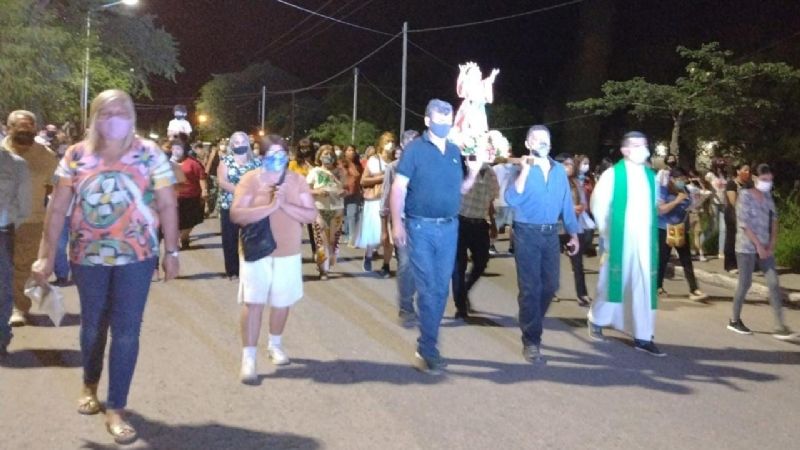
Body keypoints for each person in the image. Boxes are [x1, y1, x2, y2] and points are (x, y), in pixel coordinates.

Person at [31, 89, 179, 445]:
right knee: (94, 325)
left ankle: (117, 408)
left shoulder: (149, 154)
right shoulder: (76, 155)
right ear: (94, 116)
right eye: (106, 111)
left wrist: (172, 250)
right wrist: (46, 255)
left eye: (121, 111)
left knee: (127, 330)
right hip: (88, 256)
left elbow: (167, 203)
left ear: (132, 116)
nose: (114, 117)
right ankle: (89, 382)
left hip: (137, 256)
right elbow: (57, 210)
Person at [390, 99, 480, 375]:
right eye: (439, 119)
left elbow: (460, 190)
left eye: (448, 118)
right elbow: (398, 189)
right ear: (428, 121)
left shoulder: (454, 152)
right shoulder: (415, 151)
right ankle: (427, 349)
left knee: (440, 289)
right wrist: (397, 223)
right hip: (420, 227)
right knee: (430, 287)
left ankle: (427, 337)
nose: (445, 123)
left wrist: (474, 173)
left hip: (449, 228)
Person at [231, 135, 316, 383]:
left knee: (282, 301)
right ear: (261, 156)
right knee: (253, 302)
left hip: (287, 251)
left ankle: (275, 344)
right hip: (257, 251)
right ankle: (248, 357)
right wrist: (269, 207)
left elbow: (310, 214)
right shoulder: (251, 179)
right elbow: (237, 214)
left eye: (282, 154)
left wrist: (284, 205)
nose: (277, 159)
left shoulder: (296, 180)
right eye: (272, 155)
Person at [505, 127, 579, 364]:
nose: (542, 143)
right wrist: (526, 171)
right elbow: (511, 199)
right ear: (528, 143)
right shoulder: (519, 169)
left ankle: (530, 316)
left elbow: (566, 203)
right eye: (537, 139)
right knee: (530, 289)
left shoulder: (558, 171)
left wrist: (573, 233)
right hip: (526, 232)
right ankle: (532, 341)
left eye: (546, 139)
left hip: (550, 234)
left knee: (550, 286)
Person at [587, 132, 665, 357]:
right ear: (625, 150)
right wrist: (607, 233)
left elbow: (653, 207)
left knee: (643, 288)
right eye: (638, 145)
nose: (645, 149)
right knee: (612, 283)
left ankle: (643, 335)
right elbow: (599, 205)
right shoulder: (613, 175)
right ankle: (597, 318)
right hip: (619, 240)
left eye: (645, 145)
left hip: (645, 242)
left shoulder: (651, 177)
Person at [2, 110, 58, 326]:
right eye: (20, 129)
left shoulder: (46, 157)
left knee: (23, 266)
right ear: (9, 128)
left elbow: (57, 189)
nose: (25, 133)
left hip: (31, 221)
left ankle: (18, 308)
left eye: (29, 129)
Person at [728, 164, 796, 340]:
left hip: (765, 248)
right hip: (746, 248)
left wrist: (771, 244)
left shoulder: (767, 198)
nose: (768, 183)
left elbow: (774, 220)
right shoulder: (744, 196)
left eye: (770, 180)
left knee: (773, 283)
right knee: (745, 283)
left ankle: (780, 326)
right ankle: (734, 320)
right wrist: (758, 245)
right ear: (756, 179)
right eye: (765, 180)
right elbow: (743, 223)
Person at [451, 156, 499, 320]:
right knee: (459, 266)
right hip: (460, 222)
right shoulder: (462, 171)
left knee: (481, 262)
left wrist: (493, 223)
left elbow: (491, 200)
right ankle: (461, 307)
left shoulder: (491, 174)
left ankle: (464, 289)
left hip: (479, 224)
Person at [382, 130, 419, 326]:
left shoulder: (426, 166)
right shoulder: (393, 167)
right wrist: (385, 225)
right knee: (405, 264)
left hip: (423, 222)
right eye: (411, 143)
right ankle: (406, 306)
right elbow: (387, 194)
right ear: (403, 146)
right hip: (402, 221)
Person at [656, 168, 709, 301]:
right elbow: (661, 210)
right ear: (672, 179)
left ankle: (694, 289)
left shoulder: (685, 190)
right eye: (679, 179)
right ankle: (658, 286)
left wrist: (698, 201)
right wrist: (676, 201)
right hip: (665, 228)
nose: (682, 182)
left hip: (680, 228)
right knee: (663, 259)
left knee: (686, 259)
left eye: (683, 179)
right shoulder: (663, 190)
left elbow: (690, 205)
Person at [0, 147, 31, 356]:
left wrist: (10, 224)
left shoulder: (16, 164)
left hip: (2, 232)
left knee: (2, 285)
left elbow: (24, 205)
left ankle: (1, 336)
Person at [217, 132, 260, 280]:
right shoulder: (225, 161)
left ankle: (251, 269)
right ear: (231, 145)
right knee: (230, 239)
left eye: (242, 141)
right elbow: (222, 182)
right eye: (236, 142)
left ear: (248, 143)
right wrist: (240, 192)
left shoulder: (256, 162)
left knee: (252, 239)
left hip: (251, 206)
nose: (240, 144)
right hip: (230, 205)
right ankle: (233, 271)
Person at [557, 153, 594, 307]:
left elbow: (584, 201)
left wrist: (580, 208)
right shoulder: (553, 184)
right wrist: (570, 209)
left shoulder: (577, 183)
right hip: (557, 228)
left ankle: (582, 294)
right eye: (566, 164)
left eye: (571, 164)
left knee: (578, 263)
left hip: (574, 228)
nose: (569, 167)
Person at [357, 132, 394, 273]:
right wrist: (383, 177)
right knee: (375, 232)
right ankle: (368, 254)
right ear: (382, 143)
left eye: (392, 141)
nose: (390, 144)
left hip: (391, 201)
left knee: (388, 235)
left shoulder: (395, 161)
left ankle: (386, 264)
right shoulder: (374, 160)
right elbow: (363, 180)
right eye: (388, 141)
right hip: (376, 200)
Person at [306, 145, 345, 280]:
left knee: (332, 242)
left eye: (330, 154)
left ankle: (328, 262)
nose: (327, 156)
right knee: (322, 241)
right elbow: (306, 189)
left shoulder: (339, 172)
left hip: (337, 210)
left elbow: (344, 188)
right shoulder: (315, 172)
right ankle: (323, 270)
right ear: (319, 156)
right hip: (320, 209)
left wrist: (343, 192)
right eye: (324, 154)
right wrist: (316, 192)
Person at [171, 139, 208, 249]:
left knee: (191, 221)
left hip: (191, 197)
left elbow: (201, 178)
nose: (176, 151)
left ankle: (184, 237)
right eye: (173, 149)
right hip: (174, 197)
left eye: (178, 149)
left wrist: (204, 191)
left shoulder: (193, 163)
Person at [289, 137, 317, 256]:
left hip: (314, 199)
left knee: (315, 231)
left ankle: (317, 253)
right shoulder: (294, 164)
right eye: (302, 148)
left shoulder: (316, 164)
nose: (305, 150)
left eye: (307, 148)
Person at [724, 163, 751, 273]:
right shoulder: (732, 184)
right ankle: (730, 265)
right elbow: (733, 202)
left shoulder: (749, 184)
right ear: (738, 171)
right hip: (733, 215)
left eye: (749, 170)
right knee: (732, 239)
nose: (747, 173)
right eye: (745, 170)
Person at [490, 156, 519, 255]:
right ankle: (512, 247)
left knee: (496, 224)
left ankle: (490, 245)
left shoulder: (494, 168)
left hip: (498, 200)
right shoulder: (514, 168)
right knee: (513, 225)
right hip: (511, 200)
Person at [705, 158, 728, 259]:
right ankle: (699, 244)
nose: (721, 166)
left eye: (722, 165)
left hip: (724, 203)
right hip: (714, 202)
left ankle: (721, 252)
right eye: (719, 164)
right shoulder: (710, 175)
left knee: (724, 229)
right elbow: (704, 186)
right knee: (713, 227)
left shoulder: (725, 175)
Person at [341, 145, 363, 247]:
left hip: (355, 192)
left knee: (353, 214)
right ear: (344, 152)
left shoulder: (358, 164)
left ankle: (352, 239)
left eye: (353, 150)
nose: (351, 152)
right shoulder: (341, 164)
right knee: (345, 215)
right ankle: (346, 235)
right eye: (349, 150)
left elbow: (361, 178)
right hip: (342, 192)